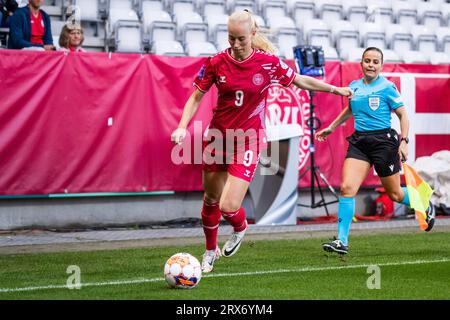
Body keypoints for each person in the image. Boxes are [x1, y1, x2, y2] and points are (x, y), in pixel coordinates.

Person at [170, 10, 353, 273]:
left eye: (241, 39)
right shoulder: (216, 62)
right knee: (210, 200)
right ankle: (210, 251)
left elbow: (300, 81)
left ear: (252, 34)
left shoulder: (268, 63)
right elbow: (196, 95)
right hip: (219, 138)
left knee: (228, 206)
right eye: (231, 38)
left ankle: (241, 227)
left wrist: (335, 89)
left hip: (249, 140)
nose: (235, 44)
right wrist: (181, 127)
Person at [316, 47, 435, 255]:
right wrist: (331, 127)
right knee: (347, 188)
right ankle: (341, 241)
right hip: (360, 142)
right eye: (367, 61)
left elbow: (403, 115)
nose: (371, 65)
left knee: (395, 194)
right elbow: (350, 110)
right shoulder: (354, 86)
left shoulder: (387, 87)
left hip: (384, 143)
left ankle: (423, 202)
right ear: (361, 63)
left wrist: (404, 141)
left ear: (381, 65)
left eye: (375, 62)